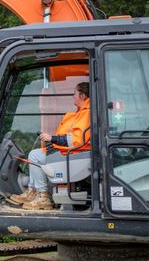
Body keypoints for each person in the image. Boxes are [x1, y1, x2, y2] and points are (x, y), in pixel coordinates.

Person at [9, 81, 91, 210]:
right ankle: (33, 191)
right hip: (73, 152)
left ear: (82, 96)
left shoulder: (86, 113)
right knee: (35, 154)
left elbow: (76, 140)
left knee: (35, 156)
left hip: (75, 154)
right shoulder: (82, 112)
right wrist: (53, 141)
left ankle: (41, 196)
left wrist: (52, 138)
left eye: (74, 93)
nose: (73, 96)